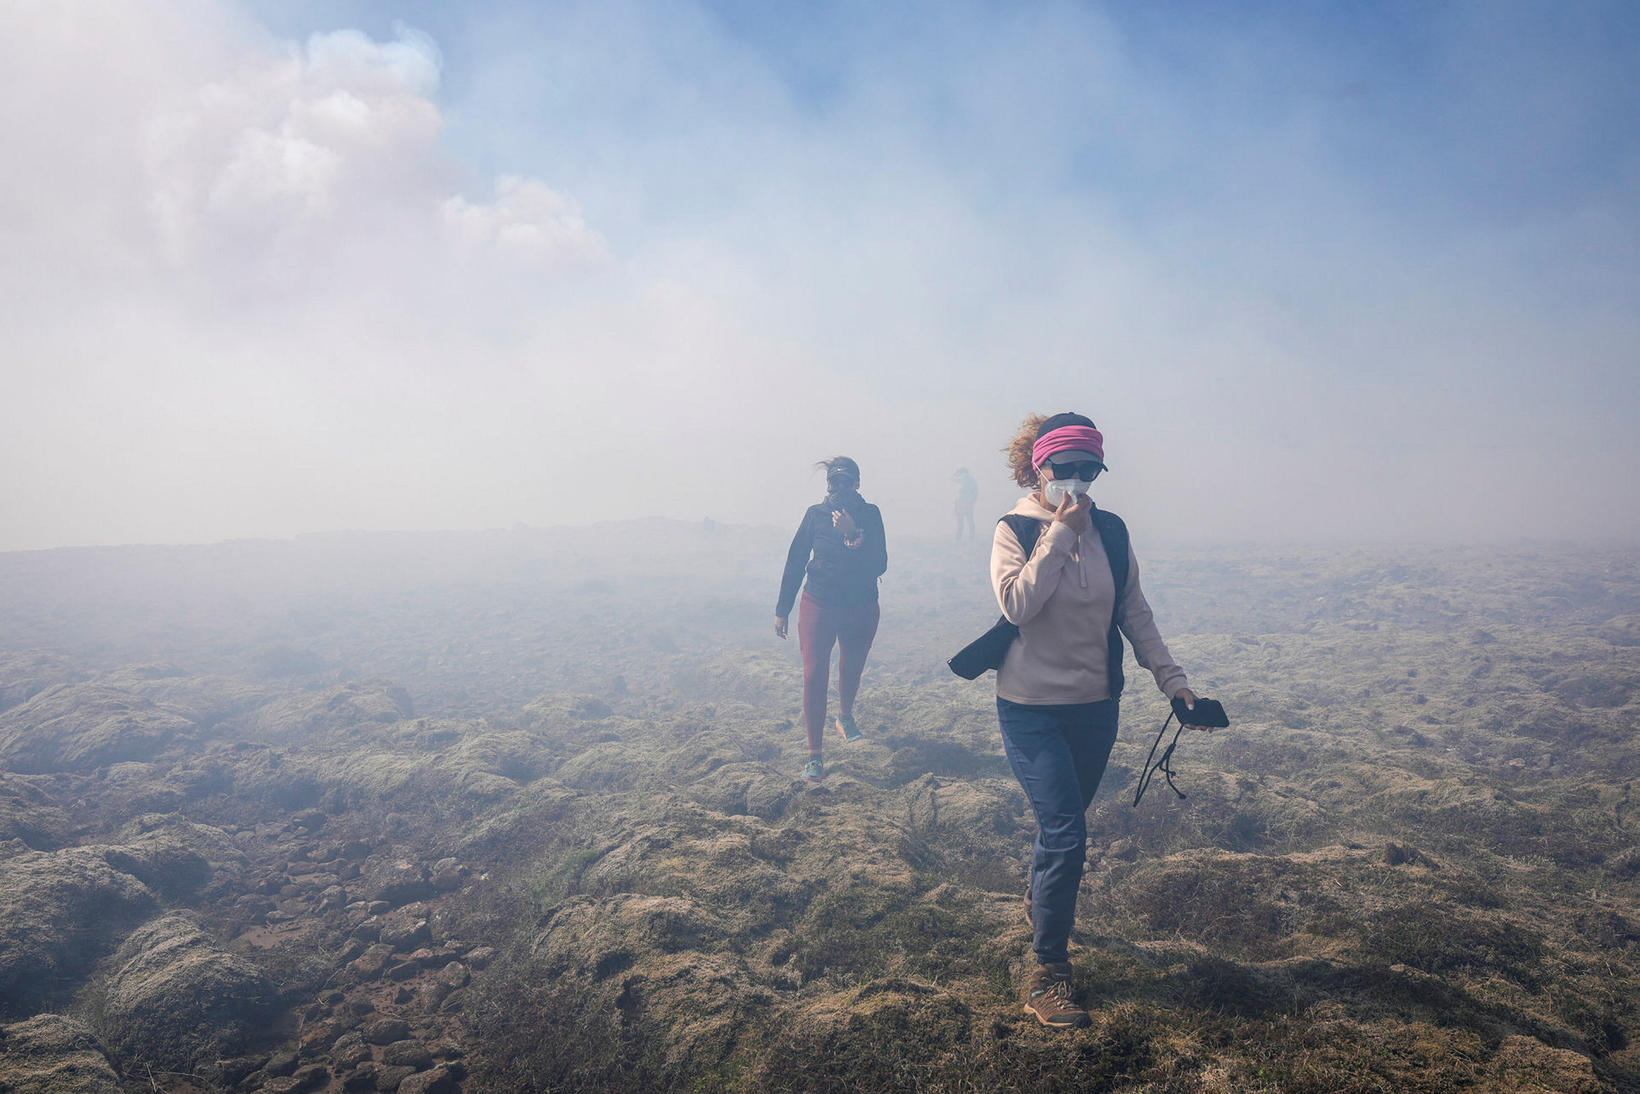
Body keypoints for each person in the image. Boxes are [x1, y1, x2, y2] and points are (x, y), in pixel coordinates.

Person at [991, 412, 1204, 1030]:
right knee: (1064, 834)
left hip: (1095, 708)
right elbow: (1017, 605)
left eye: (1091, 470)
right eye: (1067, 469)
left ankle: (1041, 899)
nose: (1079, 481)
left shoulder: (1111, 530)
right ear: (1041, 467)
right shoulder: (1014, 529)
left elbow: (1135, 612)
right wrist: (1057, 537)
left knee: (1065, 828)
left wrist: (1175, 683)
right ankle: (1047, 976)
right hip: (1030, 709)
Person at [774, 457, 888, 782]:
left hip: (861, 605)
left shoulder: (870, 514)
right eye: (832, 482)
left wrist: (853, 534)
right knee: (813, 676)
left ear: (857, 484)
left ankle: (845, 716)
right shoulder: (816, 515)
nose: (838, 488)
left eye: (845, 482)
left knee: (851, 668)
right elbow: (796, 560)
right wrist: (783, 608)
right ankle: (814, 755)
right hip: (819, 603)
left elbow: (879, 564)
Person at [952, 467, 979, 542]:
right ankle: (970, 538)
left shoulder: (965, 479)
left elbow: (954, 479)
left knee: (962, 522)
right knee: (969, 521)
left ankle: (959, 538)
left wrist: (955, 474)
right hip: (966, 503)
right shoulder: (970, 480)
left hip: (963, 503)